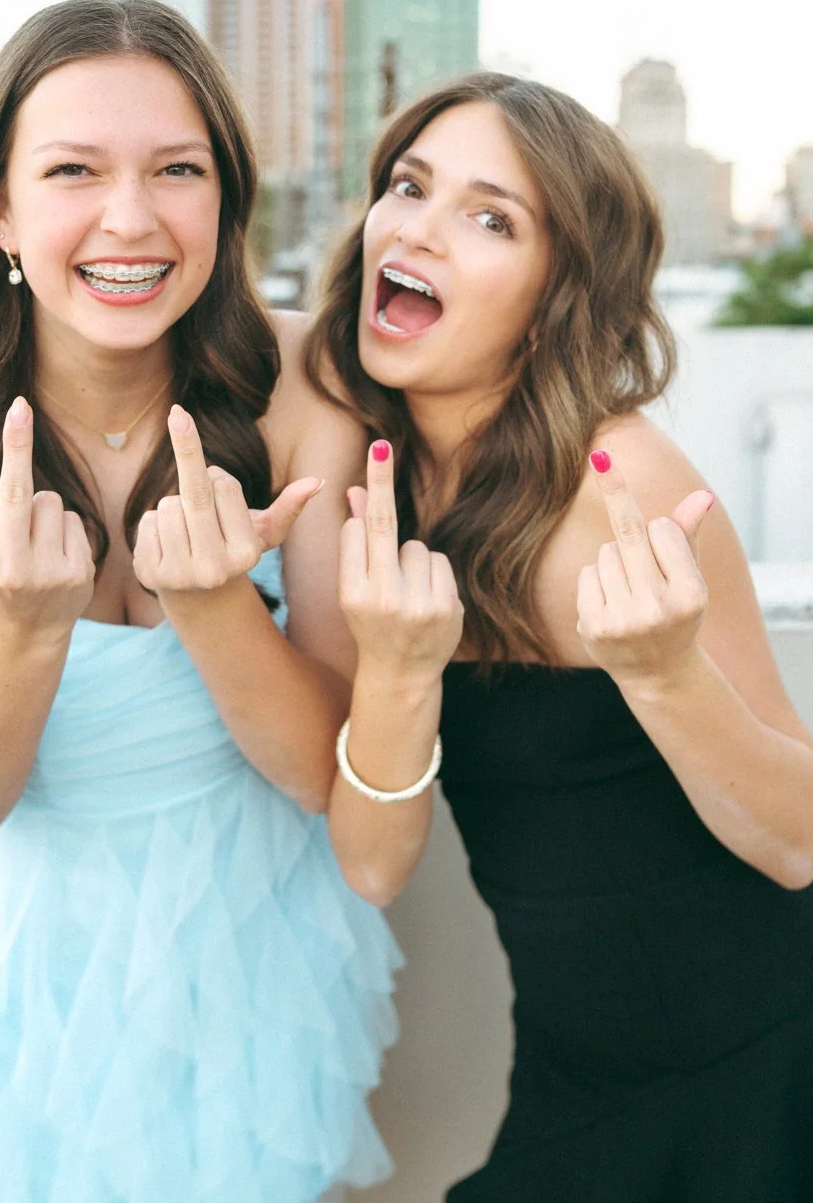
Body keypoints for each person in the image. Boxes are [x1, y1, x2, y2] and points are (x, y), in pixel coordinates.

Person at [0, 0, 400, 1203]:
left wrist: (213, 607)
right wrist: (23, 640)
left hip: (256, 954)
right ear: (0, 209)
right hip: (14, 976)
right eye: (74, 170)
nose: (131, 219)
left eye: (178, 170)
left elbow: (326, 776)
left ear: (226, 201)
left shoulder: (309, 385)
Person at [305, 72, 813, 1202]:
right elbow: (371, 864)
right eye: (409, 186)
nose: (422, 231)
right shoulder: (360, 465)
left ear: (552, 298)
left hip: (771, 1060)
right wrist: (395, 664)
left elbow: (799, 841)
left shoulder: (617, 480)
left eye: (491, 219)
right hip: (584, 1084)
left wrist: (665, 672)